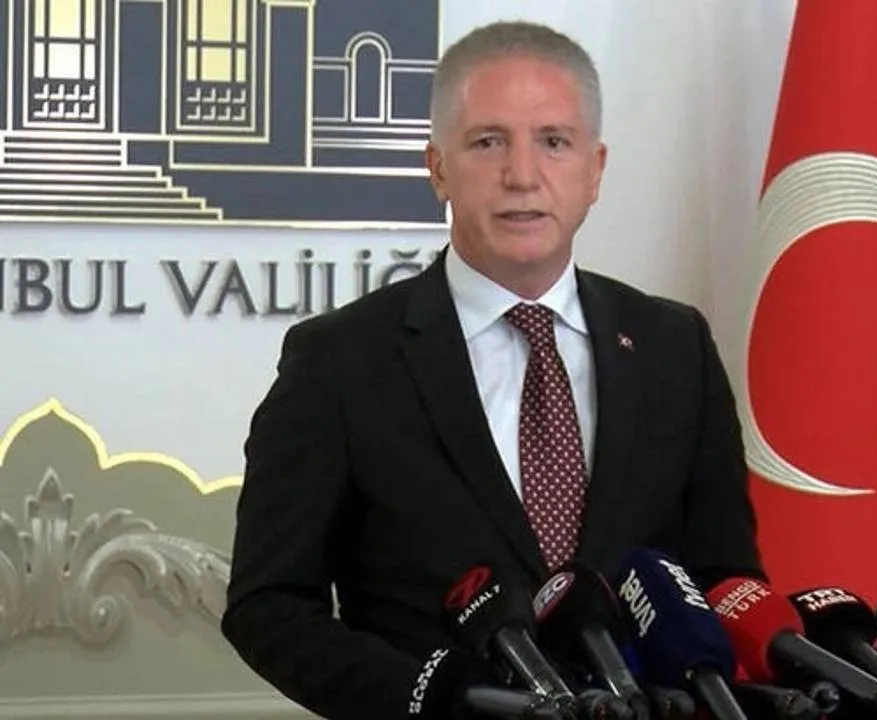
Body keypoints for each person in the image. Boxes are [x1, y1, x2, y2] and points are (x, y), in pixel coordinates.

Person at [221, 19, 764, 719]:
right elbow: (268, 606)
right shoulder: (340, 361)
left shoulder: (674, 346)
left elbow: (724, 580)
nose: (522, 175)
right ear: (438, 168)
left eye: (554, 141)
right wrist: (434, 698)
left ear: (595, 170)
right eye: (488, 142)